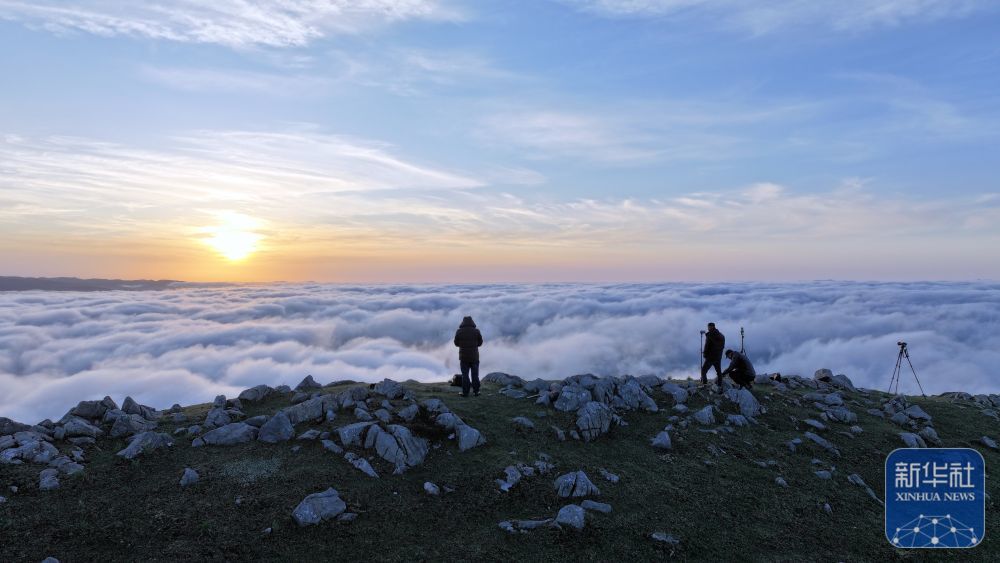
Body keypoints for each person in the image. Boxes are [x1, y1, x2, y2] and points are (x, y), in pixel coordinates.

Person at [453, 316, 483, 397]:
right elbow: (480, 343)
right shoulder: (476, 331)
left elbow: (456, 343)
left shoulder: (459, 331)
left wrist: (462, 345)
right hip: (474, 357)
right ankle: (476, 392)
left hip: (463, 357)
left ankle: (465, 393)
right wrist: (474, 345)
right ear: (472, 322)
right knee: (475, 375)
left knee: (465, 375)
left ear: (463, 322)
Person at [701, 322, 725, 386]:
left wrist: (705, 354)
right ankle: (720, 385)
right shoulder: (722, 335)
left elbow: (707, 345)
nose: (708, 328)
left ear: (711, 327)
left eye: (708, 327)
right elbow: (722, 347)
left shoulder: (710, 335)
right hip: (718, 356)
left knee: (704, 370)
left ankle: (704, 383)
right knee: (718, 372)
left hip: (711, 356)